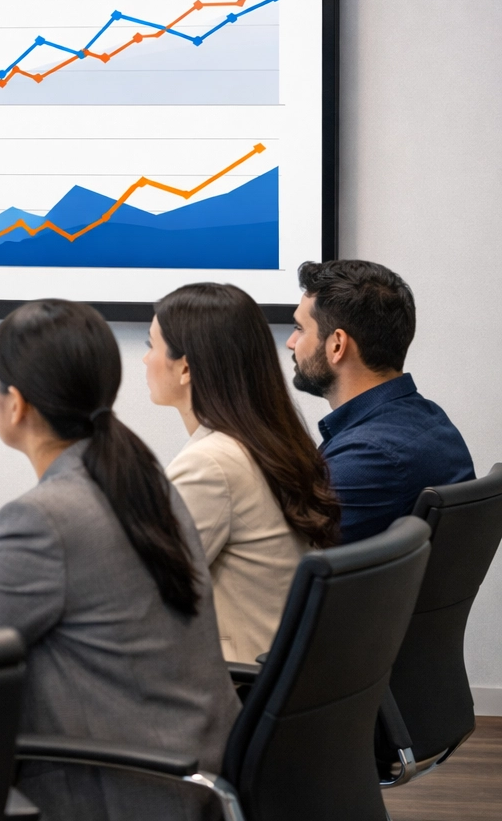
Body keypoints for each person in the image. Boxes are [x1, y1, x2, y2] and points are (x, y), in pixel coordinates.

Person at [0, 299, 238, 821]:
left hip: (121, 789)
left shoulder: (44, 518)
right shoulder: (142, 478)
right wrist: (4, 572)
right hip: (192, 770)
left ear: (15, 403)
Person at [144, 282, 340, 663]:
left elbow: (140, 591)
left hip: (229, 688)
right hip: (275, 677)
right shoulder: (272, 442)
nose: (145, 360)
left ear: (185, 367)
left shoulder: (211, 464)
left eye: (152, 345)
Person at [288, 260, 473, 543]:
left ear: (337, 345)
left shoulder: (369, 457)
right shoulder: (430, 419)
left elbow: (282, 564)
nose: (291, 342)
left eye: (300, 328)